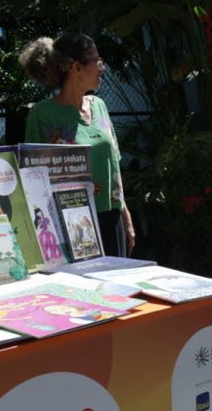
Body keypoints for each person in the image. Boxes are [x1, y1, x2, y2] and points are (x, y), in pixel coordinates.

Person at [20, 33, 136, 257]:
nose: (102, 67)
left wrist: (126, 217)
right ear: (76, 67)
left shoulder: (100, 106)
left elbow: (114, 169)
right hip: (70, 224)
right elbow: (31, 178)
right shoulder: (42, 115)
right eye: (97, 60)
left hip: (111, 219)